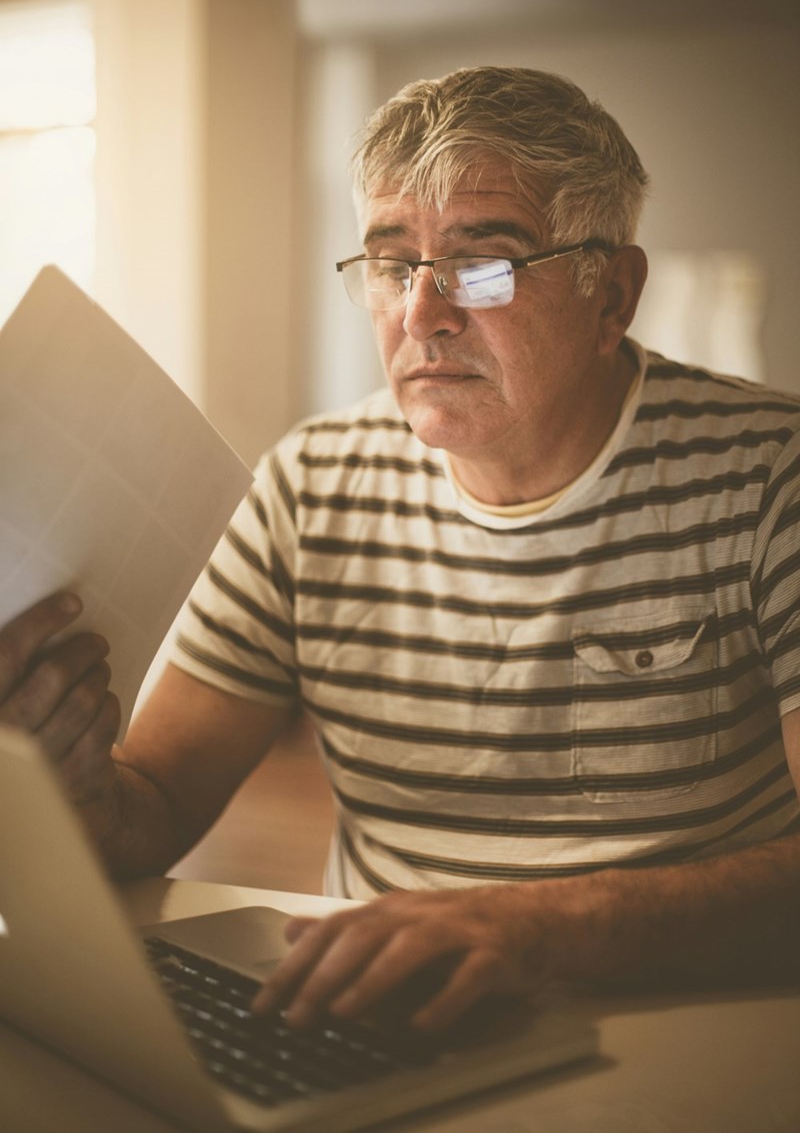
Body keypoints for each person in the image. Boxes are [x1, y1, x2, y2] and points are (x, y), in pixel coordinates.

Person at [3, 67, 800, 1035]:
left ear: (611, 295)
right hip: (388, 1023)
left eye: (483, 262)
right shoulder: (311, 482)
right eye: (391, 265)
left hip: (693, 1032)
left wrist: (529, 927)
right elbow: (156, 805)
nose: (421, 314)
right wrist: (70, 782)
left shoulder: (770, 474)